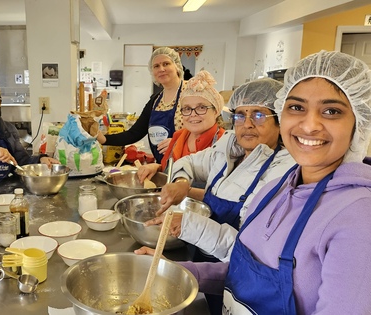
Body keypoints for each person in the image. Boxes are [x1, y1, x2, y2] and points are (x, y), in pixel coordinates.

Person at [152, 51, 371, 314]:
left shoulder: (359, 219)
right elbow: (246, 272)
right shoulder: (276, 190)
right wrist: (173, 272)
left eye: (331, 111)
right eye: (297, 107)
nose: (310, 125)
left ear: (358, 123)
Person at [144, 78, 296, 315]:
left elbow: (248, 251)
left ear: (280, 121)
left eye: (258, 115)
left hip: (238, 280)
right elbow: (191, 162)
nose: (246, 124)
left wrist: (186, 224)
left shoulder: (282, 174)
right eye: (240, 115)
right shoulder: (229, 148)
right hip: (204, 261)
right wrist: (182, 182)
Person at [96, 47, 186, 163]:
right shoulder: (155, 100)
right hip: (163, 166)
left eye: (166, 64)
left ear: (177, 66)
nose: (161, 69)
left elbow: (211, 130)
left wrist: (180, 141)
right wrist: (103, 139)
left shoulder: (192, 93)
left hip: (191, 167)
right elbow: (135, 133)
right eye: (156, 66)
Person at [137, 70, 226, 176]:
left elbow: (224, 190)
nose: (193, 114)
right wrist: (156, 167)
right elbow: (168, 170)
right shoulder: (178, 137)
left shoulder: (224, 143)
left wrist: (184, 188)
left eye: (201, 107)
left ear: (216, 111)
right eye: (187, 108)